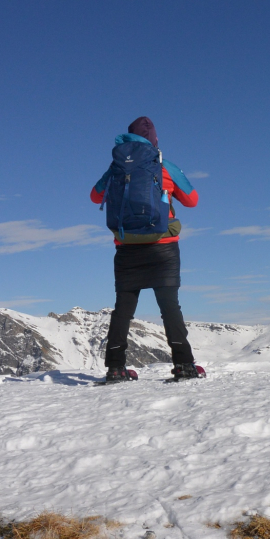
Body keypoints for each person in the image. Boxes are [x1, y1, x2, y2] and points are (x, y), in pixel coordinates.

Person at [90, 116, 201, 382]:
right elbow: (192, 201)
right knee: (169, 307)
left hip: (127, 248)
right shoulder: (164, 167)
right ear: (154, 141)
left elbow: (95, 196)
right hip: (163, 247)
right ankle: (184, 365)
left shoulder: (115, 168)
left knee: (123, 309)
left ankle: (116, 368)